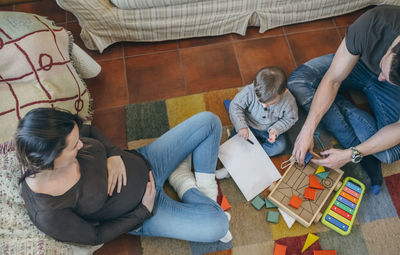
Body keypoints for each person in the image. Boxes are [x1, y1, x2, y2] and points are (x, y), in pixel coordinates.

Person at [15, 108, 231, 245]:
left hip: (147, 159)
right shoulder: (49, 212)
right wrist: (142, 212)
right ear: (50, 159)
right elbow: (94, 236)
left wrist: (113, 153)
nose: (81, 145)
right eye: (74, 147)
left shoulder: (64, 140)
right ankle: (184, 182)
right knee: (218, 225)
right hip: (146, 210)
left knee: (209, 121)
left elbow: (89, 131)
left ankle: (191, 182)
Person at [287, 5, 400, 195]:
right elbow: (332, 79)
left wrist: (352, 154)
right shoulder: (374, 21)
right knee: (298, 82)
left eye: (388, 78)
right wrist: (308, 128)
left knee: (389, 154)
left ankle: (337, 107)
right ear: (393, 46)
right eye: (383, 68)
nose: (380, 77)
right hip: (358, 64)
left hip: (391, 94)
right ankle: (344, 114)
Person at [216, 66, 298, 179]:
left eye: (271, 104)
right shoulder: (250, 91)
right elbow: (235, 106)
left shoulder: (289, 101)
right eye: (260, 101)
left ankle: (247, 161)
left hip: (269, 129)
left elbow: (291, 118)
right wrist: (241, 126)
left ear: (284, 91)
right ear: (254, 84)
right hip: (248, 126)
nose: (264, 106)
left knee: (280, 146)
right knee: (234, 143)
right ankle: (232, 167)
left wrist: (276, 130)